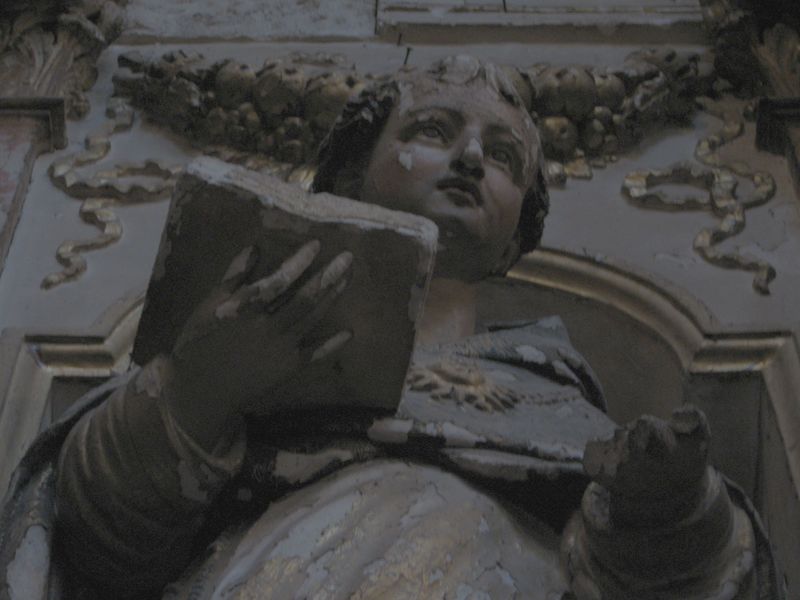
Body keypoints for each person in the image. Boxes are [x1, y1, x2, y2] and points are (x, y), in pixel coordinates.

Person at [0, 56, 780, 600]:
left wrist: (673, 508)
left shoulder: (558, 399)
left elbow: (679, 584)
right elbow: (91, 543)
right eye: (434, 131)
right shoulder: (243, 334)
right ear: (348, 173)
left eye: (504, 156)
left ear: (516, 237)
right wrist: (198, 390)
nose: (471, 159)